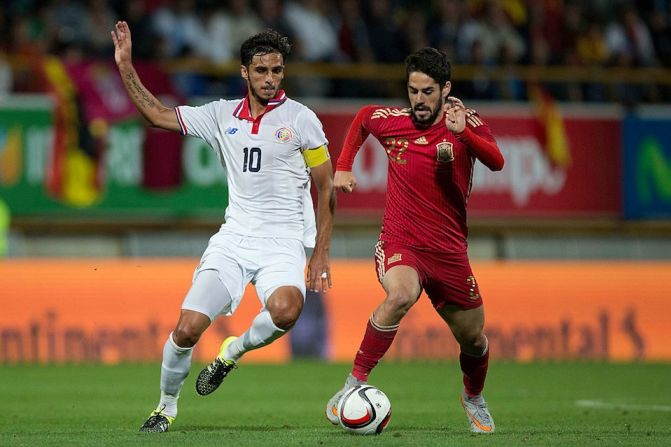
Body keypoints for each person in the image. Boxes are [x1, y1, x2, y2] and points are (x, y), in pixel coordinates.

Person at [111, 21, 335, 433]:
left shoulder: (302, 120)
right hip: (234, 239)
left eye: (277, 71)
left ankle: (233, 351)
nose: (270, 79)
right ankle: (165, 407)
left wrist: (320, 251)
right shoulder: (219, 115)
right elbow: (157, 115)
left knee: (287, 310)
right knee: (186, 329)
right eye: (262, 71)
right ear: (244, 72)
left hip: (283, 241)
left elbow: (326, 186)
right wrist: (126, 66)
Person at [326, 47, 504, 434]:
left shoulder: (466, 122)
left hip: (450, 251)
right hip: (401, 241)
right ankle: (351, 386)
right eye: (412, 91)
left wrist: (465, 135)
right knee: (400, 295)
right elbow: (362, 119)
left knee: (474, 339)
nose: (419, 100)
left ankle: (473, 397)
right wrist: (343, 166)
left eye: (427, 92)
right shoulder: (394, 122)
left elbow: (497, 161)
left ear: (446, 89)